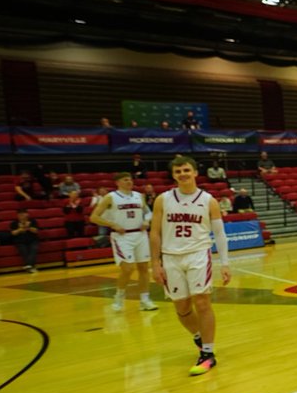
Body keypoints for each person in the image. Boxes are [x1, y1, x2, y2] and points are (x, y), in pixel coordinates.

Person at [149, 155, 231, 376]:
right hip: (170, 257)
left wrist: (225, 263)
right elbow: (155, 233)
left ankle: (208, 354)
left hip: (198, 254)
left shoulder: (209, 200)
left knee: (202, 303)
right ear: (173, 175)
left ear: (195, 172)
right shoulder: (163, 200)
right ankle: (199, 337)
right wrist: (155, 263)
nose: (182, 174)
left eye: (186, 170)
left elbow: (219, 234)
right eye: (178, 171)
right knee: (182, 308)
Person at [91, 173, 158, 312]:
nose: (129, 181)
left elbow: (148, 212)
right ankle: (119, 297)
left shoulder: (139, 196)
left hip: (140, 235)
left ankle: (145, 300)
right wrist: (112, 224)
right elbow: (94, 217)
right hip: (122, 237)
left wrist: (147, 220)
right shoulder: (110, 197)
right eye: (125, 180)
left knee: (144, 268)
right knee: (127, 269)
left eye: (130, 179)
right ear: (117, 182)